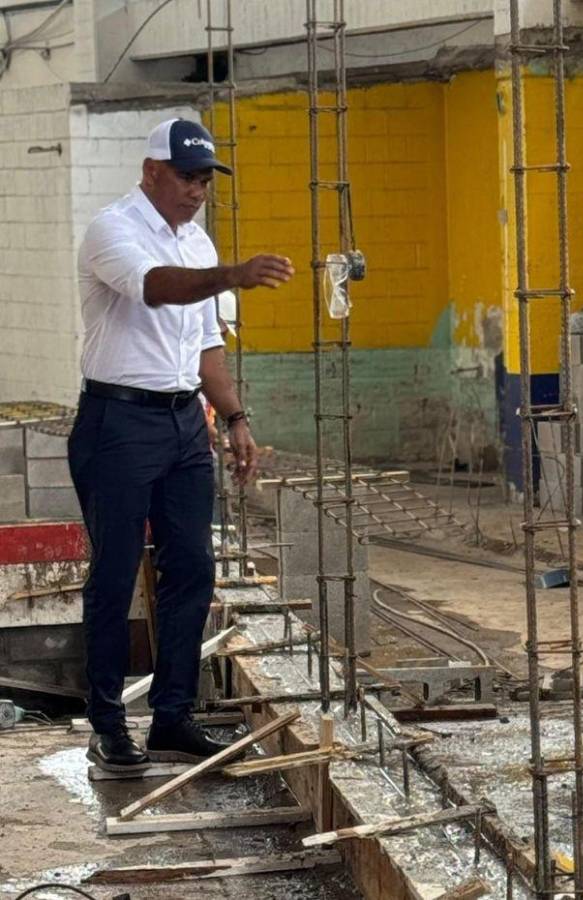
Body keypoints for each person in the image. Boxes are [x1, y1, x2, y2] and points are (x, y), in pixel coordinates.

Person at [71, 118, 294, 771]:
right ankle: (107, 724)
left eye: (204, 179)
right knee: (114, 575)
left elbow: (205, 347)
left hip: (182, 423)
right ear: (151, 172)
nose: (197, 190)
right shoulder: (113, 229)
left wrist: (235, 418)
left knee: (193, 568)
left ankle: (172, 717)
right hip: (117, 421)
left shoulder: (198, 242)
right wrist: (235, 275)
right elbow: (155, 287)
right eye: (186, 176)